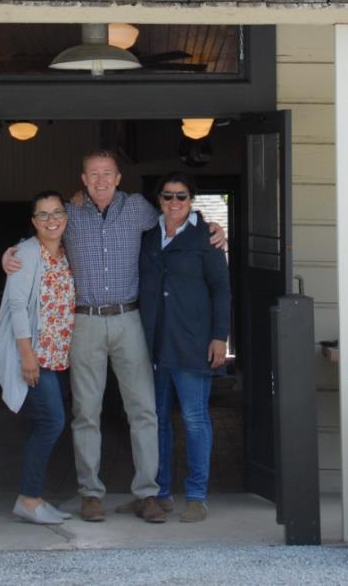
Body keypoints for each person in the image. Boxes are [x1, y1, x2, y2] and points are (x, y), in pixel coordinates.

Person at [2, 149, 225, 523]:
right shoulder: (69, 214)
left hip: (129, 319)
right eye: (94, 175)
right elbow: (41, 235)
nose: (101, 180)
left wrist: (210, 227)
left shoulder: (138, 208)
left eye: (108, 174)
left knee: (143, 409)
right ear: (84, 181)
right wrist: (6, 255)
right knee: (85, 412)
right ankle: (91, 493)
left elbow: (177, 215)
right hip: (84, 322)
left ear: (119, 178)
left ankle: (148, 493)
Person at [137, 172, 230, 523]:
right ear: (158, 199)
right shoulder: (147, 236)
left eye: (181, 197)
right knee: (156, 420)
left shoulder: (206, 238)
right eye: (167, 196)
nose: (174, 203)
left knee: (194, 419)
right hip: (154, 342)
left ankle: (196, 495)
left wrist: (220, 336)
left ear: (191, 200)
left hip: (193, 343)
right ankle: (160, 492)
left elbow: (221, 289)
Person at [0, 190, 76, 524]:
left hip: (56, 355)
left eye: (57, 213)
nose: (51, 220)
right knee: (51, 421)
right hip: (35, 355)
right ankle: (28, 499)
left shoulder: (67, 253)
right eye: (43, 215)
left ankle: (33, 497)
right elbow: (16, 306)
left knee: (47, 421)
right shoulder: (25, 253)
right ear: (33, 222)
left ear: (66, 218)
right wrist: (27, 357)